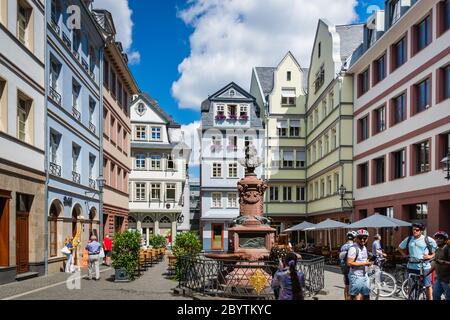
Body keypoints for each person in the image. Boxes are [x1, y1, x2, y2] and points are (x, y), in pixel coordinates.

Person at [398, 223, 437, 300]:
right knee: (410, 285)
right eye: (413, 229)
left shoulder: (428, 239)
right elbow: (399, 248)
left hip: (424, 267)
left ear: (421, 231)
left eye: (417, 230)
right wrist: (404, 255)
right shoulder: (409, 239)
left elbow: (437, 250)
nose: (415, 231)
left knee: (427, 286)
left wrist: (430, 256)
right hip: (411, 266)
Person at [347, 229, 373, 300]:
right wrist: (365, 263)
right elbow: (349, 263)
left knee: (366, 296)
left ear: (367, 238)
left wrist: (368, 262)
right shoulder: (353, 248)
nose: (362, 240)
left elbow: (363, 260)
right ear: (356, 238)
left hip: (365, 275)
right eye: (360, 238)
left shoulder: (364, 248)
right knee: (353, 296)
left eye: (364, 238)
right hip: (356, 276)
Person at [424, 231, 450, 300]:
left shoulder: (448, 249)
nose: (438, 239)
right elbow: (435, 264)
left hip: (448, 280)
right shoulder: (437, 250)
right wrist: (426, 274)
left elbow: (440, 262)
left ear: (445, 240)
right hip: (439, 279)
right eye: (437, 238)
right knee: (435, 295)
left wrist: (443, 262)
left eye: (441, 238)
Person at [339, 231, 357, 300]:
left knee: (347, 285)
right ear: (354, 238)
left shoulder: (343, 246)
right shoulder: (355, 246)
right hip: (352, 268)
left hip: (344, 268)